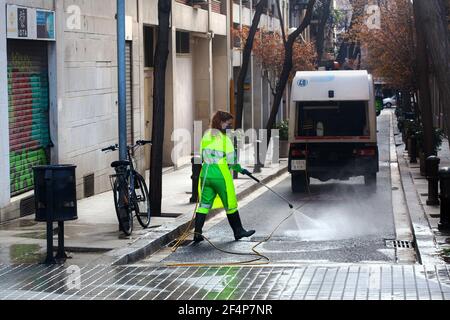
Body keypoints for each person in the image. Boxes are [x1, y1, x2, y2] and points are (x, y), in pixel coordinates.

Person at [194, 111, 255, 243]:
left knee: (203, 205)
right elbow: (232, 161)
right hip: (221, 176)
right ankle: (238, 231)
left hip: (206, 175)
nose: (229, 126)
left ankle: (197, 233)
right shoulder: (225, 139)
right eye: (228, 124)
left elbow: (199, 157)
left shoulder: (205, 136)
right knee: (230, 204)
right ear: (221, 122)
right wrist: (241, 169)